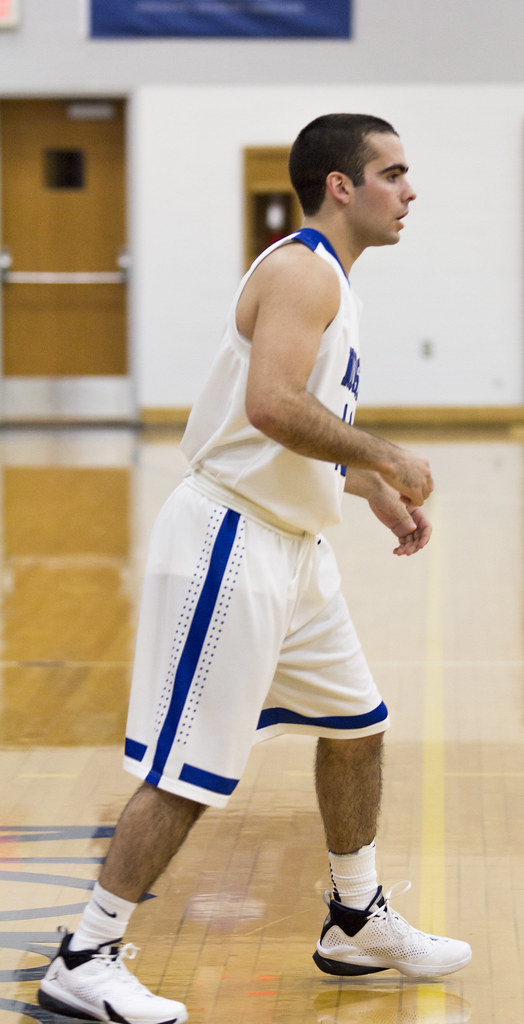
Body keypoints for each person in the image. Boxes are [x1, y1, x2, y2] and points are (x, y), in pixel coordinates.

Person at [38, 113, 472, 1024]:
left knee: (358, 726)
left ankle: (355, 917)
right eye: (393, 173)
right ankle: (86, 953)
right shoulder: (301, 269)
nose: (410, 190)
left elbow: (293, 423)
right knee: (187, 773)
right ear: (341, 186)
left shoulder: (335, 283)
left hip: (294, 549)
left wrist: (366, 486)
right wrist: (387, 453)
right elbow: (269, 406)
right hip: (229, 543)